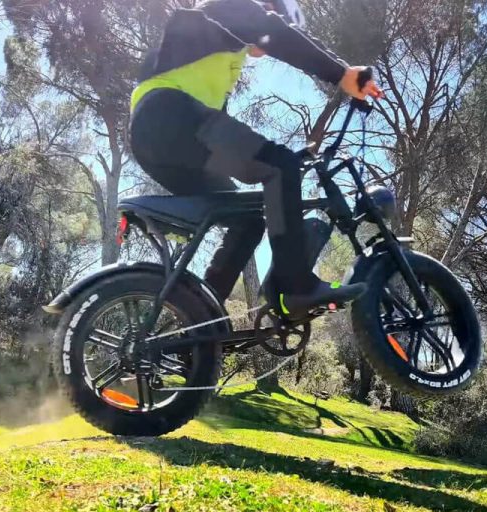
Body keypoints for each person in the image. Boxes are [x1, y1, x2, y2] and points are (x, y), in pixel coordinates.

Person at [130, 0, 383, 317]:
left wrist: (284, 164)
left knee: (247, 218)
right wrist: (342, 74)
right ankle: (296, 287)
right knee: (279, 165)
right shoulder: (223, 6)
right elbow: (272, 30)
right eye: (277, 16)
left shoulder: (217, 48)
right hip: (167, 115)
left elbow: (228, 139)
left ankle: (200, 316)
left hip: (161, 139)